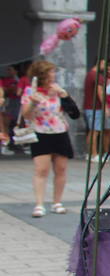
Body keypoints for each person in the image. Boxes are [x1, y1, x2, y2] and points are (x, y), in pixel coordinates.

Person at [20, 60, 73, 216]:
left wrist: (64, 95)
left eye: (53, 72)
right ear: (41, 75)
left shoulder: (58, 90)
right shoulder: (31, 91)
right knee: (41, 169)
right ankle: (39, 204)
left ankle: (57, 202)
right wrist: (33, 103)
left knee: (61, 169)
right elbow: (26, 115)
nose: (53, 75)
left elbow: (73, 112)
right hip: (40, 132)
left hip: (60, 131)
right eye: (50, 72)